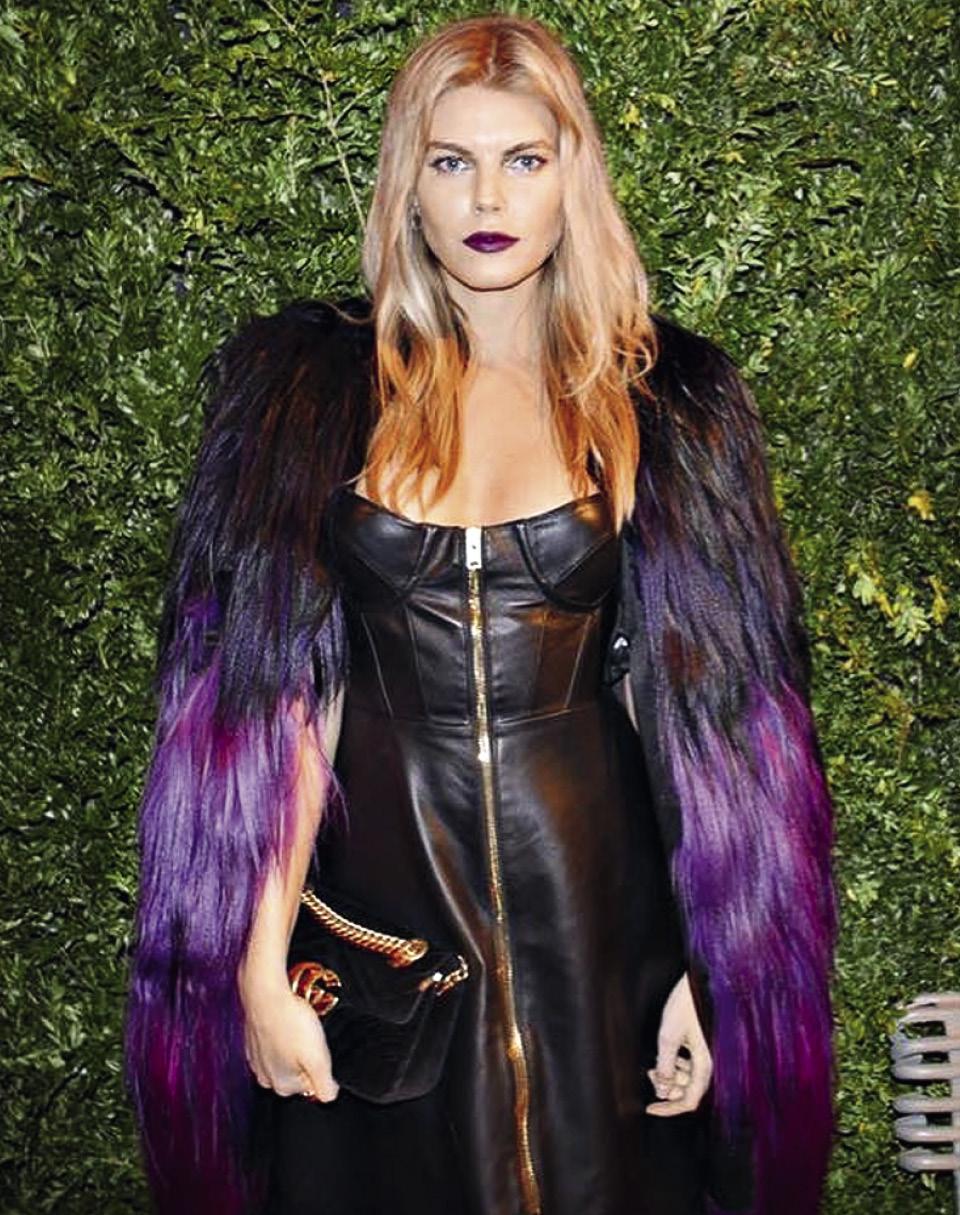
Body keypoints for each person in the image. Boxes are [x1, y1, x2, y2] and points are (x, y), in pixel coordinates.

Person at [123, 14, 837, 1215]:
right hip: (382, 931)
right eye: (451, 161)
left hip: (599, 925)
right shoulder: (306, 396)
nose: (487, 198)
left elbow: (710, 718)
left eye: (524, 158)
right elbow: (274, 702)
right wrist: (256, 961)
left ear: (573, 176)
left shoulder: (666, 403)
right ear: (409, 185)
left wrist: (709, 968)